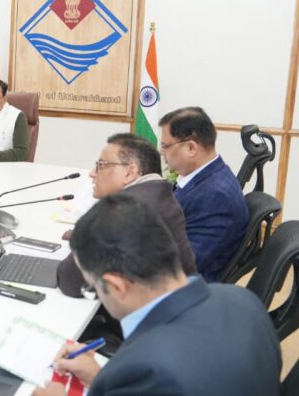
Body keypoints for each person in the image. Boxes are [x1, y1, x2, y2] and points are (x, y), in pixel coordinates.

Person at [34, 195, 281, 396]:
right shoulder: (244, 301)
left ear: (116, 285)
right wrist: (102, 378)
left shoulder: (145, 367)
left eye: (92, 288)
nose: (94, 293)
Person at [57, 133, 197, 297]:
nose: (92, 173)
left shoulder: (125, 209)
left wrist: (85, 237)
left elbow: (69, 280)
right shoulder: (159, 194)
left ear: (129, 173)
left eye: (101, 165)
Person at [159, 106, 248, 282]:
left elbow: (183, 266)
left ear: (191, 148)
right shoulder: (208, 176)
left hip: (179, 289)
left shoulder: (216, 197)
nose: (161, 152)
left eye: (165, 146)